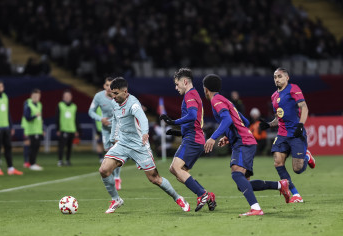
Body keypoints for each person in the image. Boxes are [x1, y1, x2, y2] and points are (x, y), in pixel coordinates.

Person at [202, 74, 290, 216]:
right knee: (242, 183)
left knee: (236, 174)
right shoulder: (226, 100)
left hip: (243, 142)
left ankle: (256, 208)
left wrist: (213, 137)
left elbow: (226, 120)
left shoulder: (216, 101)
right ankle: (280, 185)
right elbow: (245, 122)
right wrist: (229, 137)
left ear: (205, 89)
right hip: (244, 140)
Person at [99, 77, 189, 213]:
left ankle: (178, 198)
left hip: (139, 145)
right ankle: (116, 199)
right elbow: (116, 120)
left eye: (116, 93)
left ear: (125, 91)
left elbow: (143, 119)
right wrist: (113, 138)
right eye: (112, 93)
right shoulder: (115, 103)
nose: (113, 96)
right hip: (122, 143)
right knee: (104, 170)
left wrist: (145, 133)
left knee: (154, 178)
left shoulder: (133, 104)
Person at [159, 68, 216, 212]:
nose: (176, 87)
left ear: (185, 82)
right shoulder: (193, 94)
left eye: (177, 84)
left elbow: (191, 115)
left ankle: (201, 194)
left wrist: (173, 121)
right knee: (178, 171)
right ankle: (208, 196)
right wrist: (178, 132)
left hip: (193, 139)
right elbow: (194, 121)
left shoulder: (190, 95)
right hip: (193, 137)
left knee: (176, 168)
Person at [259, 68, 316, 203]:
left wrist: (300, 125)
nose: (277, 79)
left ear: (287, 77)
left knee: (297, 169)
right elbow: (279, 118)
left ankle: (307, 156)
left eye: (279, 76)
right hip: (282, 134)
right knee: (278, 162)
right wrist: (268, 124)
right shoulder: (274, 96)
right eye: (274, 77)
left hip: (296, 133)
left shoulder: (293, 88)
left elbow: (304, 107)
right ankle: (296, 194)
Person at [89, 77, 122, 190]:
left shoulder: (118, 96)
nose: (109, 88)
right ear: (104, 86)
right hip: (105, 129)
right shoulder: (98, 97)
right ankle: (112, 175)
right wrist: (100, 118)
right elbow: (91, 111)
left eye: (111, 86)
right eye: (107, 85)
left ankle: (117, 177)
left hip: (117, 128)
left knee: (115, 153)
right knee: (108, 152)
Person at [0, 80, 23, 175]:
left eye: (1, 87)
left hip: (6, 127)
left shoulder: (5, 97)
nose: (0, 88)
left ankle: (10, 168)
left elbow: (7, 113)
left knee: (8, 147)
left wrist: (11, 126)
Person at [56, 89, 80, 166]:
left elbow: (76, 119)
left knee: (69, 147)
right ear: (63, 97)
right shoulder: (60, 105)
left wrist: (77, 130)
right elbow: (57, 117)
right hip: (63, 129)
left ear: (71, 97)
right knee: (61, 146)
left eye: (68, 96)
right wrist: (58, 129)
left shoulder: (74, 106)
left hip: (72, 129)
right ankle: (60, 160)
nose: (67, 97)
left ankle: (67, 160)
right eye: (65, 96)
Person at [22, 89, 44, 171]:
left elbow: (40, 118)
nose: (36, 98)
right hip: (29, 130)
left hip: (37, 130)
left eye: (37, 96)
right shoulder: (28, 103)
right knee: (29, 146)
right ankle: (28, 162)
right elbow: (27, 117)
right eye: (34, 96)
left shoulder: (39, 104)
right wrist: (35, 116)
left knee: (35, 147)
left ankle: (32, 162)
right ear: (31, 96)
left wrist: (41, 129)